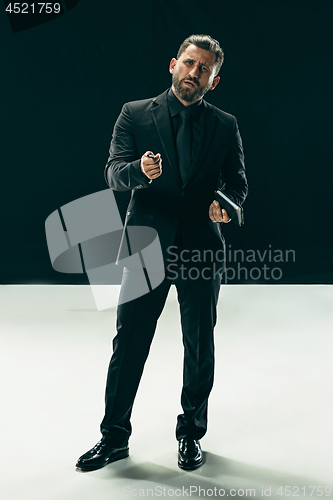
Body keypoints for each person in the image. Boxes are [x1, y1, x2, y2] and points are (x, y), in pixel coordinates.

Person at [76, 34, 248, 472]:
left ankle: (191, 434)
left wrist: (224, 206)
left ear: (215, 79)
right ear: (173, 64)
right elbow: (114, 173)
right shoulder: (134, 114)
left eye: (204, 69)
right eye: (189, 63)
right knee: (129, 343)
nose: (195, 73)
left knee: (199, 345)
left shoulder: (225, 125)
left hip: (201, 250)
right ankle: (113, 437)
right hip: (146, 247)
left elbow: (238, 186)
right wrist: (140, 171)